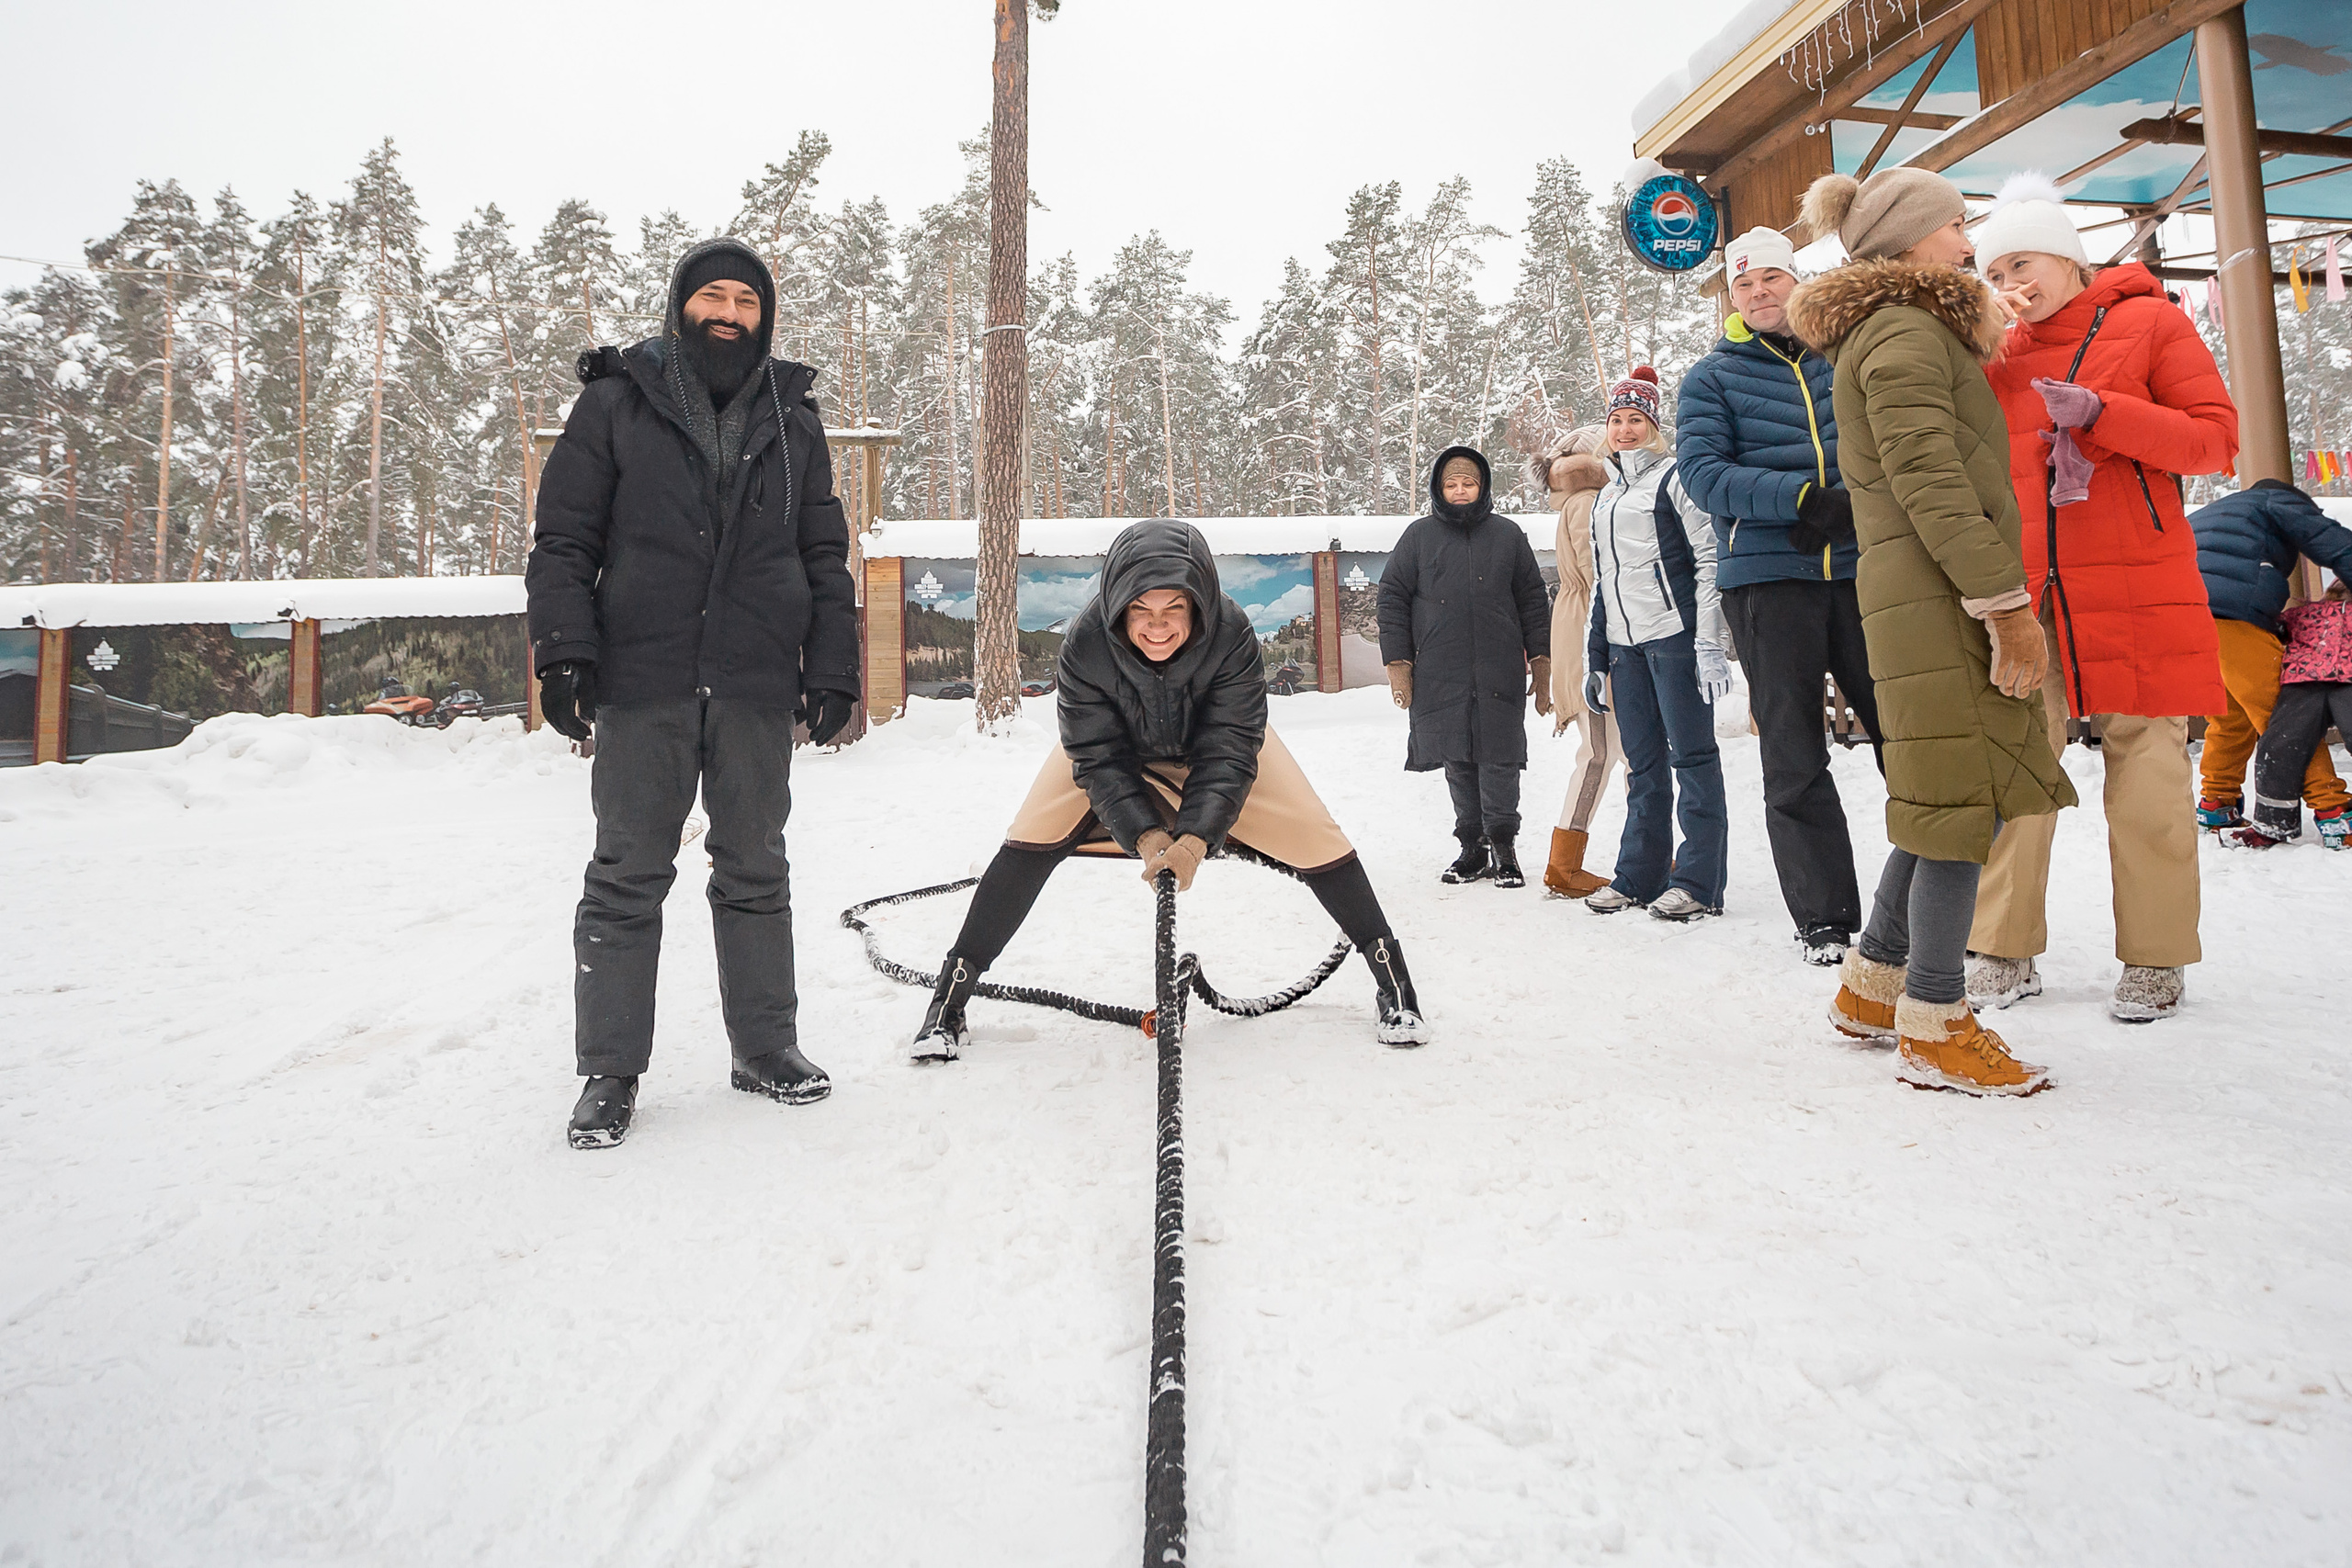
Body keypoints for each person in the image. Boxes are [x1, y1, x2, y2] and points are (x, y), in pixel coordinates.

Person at [527, 237, 861, 1149]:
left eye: (745, 302)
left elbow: (823, 554)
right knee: (627, 874)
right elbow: (563, 538)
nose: (728, 312)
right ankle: (609, 1070)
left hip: (754, 680)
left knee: (756, 867)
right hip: (645, 679)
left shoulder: (794, 421)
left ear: (764, 318)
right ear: (680, 306)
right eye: (711, 296)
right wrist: (563, 652)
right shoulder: (613, 403)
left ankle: (765, 1048)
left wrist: (832, 666)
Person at [909, 519, 1429, 1058]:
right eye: (1141, 610)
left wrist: (1196, 838)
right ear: (1118, 606)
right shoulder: (1086, 646)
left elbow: (1231, 746)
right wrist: (1146, 835)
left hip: (1215, 749)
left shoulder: (1232, 635)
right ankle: (949, 1000)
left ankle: (1394, 982)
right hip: (1117, 752)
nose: (1158, 626)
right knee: (1029, 838)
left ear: (1198, 604)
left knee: (1316, 834)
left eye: (1173, 609)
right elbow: (1095, 755)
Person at [1788, 165, 2075, 1095]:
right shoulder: (1906, 333)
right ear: (1910, 239)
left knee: (1938, 795)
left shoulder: (1899, 330)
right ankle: (1938, 1019)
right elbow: (1933, 485)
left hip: (1920, 594)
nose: (1969, 239)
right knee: (1960, 808)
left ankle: (1874, 986)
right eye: (1956, 225)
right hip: (1943, 596)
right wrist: (2004, 608)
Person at [1962, 176, 2239, 1024]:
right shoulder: (1989, 347)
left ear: (2070, 256)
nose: (2014, 277)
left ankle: (2157, 955)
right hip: (2025, 586)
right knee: (2018, 765)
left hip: (2136, 579)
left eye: (2025, 258)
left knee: (2150, 770)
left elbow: (2215, 440)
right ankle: (2003, 944)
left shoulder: (2150, 320)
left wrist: (2104, 413)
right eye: (1996, 264)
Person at [1678, 225, 1882, 965]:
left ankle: (1937, 893)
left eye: (1772, 277)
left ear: (1797, 281)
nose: (1760, 292)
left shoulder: (1844, 357)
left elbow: (1888, 440)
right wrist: (1799, 500)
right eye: (1744, 283)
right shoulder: (1713, 378)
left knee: (1908, 737)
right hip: (1768, 582)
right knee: (1794, 754)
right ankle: (1825, 918)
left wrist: (1855, 504)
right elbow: (1702, 474)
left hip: (1864, 573)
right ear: (1732, 298)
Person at [1580, 367, 1732, 923]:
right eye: (1617, 419)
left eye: (1636, 419)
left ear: (1654, 426)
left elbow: (1710, 558)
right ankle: (1639, 875)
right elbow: (1603, 579)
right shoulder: (1606, 495)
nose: (1625, 429)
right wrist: (1595, 660)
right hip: (1625, 647)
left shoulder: (1675, 479)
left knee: (1692, 758)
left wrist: (1708, 642)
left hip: (1674, 640)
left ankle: (1697, 881)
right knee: (1642, 765)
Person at [1377, 447, 1553, 888]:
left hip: (1499, 668)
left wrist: (1542, 661)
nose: (1460, 491)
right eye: (1451, 484)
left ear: (1483, 487)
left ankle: (1504, 848)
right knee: (1457, 756)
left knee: (1500, 758)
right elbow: (1392, 598)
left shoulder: (1508, 536)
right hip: (1441, 667)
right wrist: (1398, 663)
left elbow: (1533, 599)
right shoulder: (1418, 537)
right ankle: (1472, 849)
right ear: (1439, 488)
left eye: (1468, 483)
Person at [2189, 479, 2352, 835]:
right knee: (2289, 716)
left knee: (2230, 717)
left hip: (2184, 619)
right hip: (2231, 616)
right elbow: (2333, 543)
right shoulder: (2275, 500)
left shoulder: (2212, 514)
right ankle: (2333, 807)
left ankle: (2217, 801)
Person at [1529, 425, 1621, 897]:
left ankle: (1649, 848)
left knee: (1615, 753)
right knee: (1600, 753)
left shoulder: (1576, 502)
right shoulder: (1588, 503)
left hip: (1579, 628)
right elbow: (1599, 575)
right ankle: (1564, 866)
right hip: (1590, 633)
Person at [2233, 577, 2352, 849]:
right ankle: (2273, 823)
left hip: (2347, 681)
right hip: (2303, 683)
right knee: (2278, 744)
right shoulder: (2304, 614)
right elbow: (2273, 628)